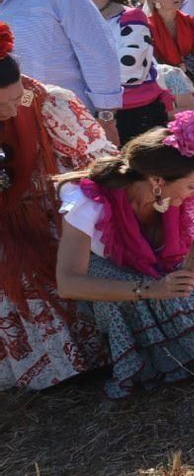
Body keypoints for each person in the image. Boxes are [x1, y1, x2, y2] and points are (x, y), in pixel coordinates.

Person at [54, 113, 194, 397]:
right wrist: (149, 290)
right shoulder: (88, 202)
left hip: (163, 268)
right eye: (191, 185)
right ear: (157, 181)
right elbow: (68, 283)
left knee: (189, 290)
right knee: (151, 299)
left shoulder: (193, 193)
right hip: (114, 274)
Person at [0, 24, 118, 390]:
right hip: (9, 219)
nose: (10, 109)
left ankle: (91, 353)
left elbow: (104, 162)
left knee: (53, 251)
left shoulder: (50, 102)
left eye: (14, 98)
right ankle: (51, 367)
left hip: (67, 209)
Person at [63, 0, 163, 140]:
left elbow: (130, 72)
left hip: (135, 115)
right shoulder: (69, 20)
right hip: (89, 115)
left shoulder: (131, 17)